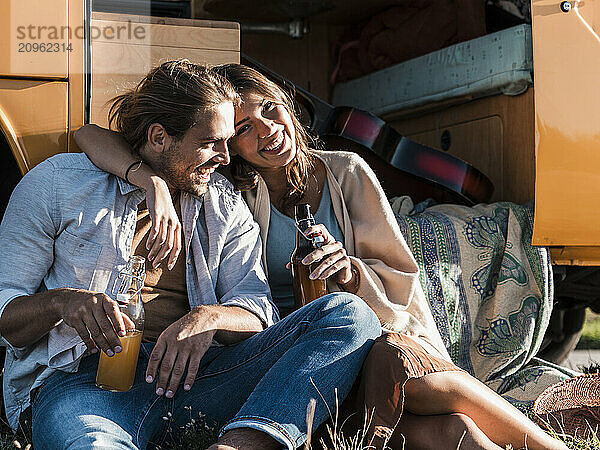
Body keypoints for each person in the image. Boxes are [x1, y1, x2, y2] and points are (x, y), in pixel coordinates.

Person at [75, 61, 568, 450]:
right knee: (440, 427)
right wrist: (152, 181)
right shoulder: (228, 193)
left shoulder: (345, 172)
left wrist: (351, 273)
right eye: (244, 127)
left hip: (372, 330)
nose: (267, 129)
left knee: (409, 379)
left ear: (289, 105)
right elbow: (88, 135)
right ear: (230, 144)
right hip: (295, 354)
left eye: (270, 109)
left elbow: (400, 276)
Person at [0, 60, 381, 450]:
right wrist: (64, 303)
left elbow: (258, 311)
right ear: (160, 137)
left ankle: (241, 443)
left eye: (227, 141)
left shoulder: (224, 202)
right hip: (85, 383)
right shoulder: (58, 184)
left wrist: (208, 319)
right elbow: (6, 318)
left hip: (199, 378)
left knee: (350, 316)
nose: (226, 158)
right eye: (210, 143)